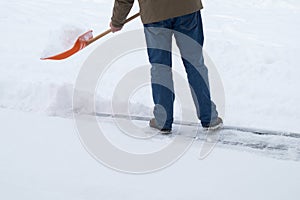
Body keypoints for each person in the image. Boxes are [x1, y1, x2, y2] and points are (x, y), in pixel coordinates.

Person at [110, 0, 223, 134]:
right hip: (187, 8)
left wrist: (117, 21)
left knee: (160, 66)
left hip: (155, 13)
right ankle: (209, 118)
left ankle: (163, 121)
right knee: (194, 64)